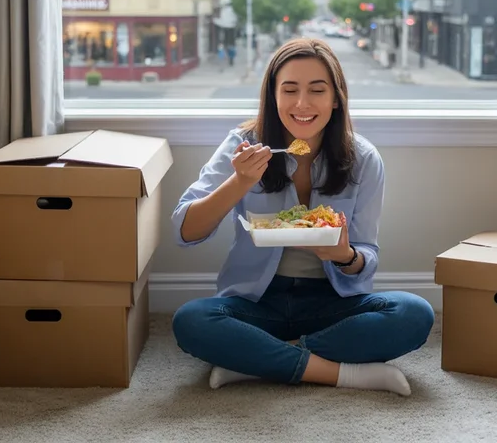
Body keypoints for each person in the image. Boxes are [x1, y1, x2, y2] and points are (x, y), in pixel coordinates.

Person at [170, 37, 435, 397]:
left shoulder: (364, 158)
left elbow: (366, 258)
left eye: (317, 90)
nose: (302, 104)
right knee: (191, 321)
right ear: (273, 96)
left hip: (331, 303)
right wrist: (239, 182)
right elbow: (186, 230)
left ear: (336, 98)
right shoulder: (242, 144)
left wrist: (345, 255)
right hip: (256, 302)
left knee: (414, 314)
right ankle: (344, 373)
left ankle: (256, 361)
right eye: (289, 90)